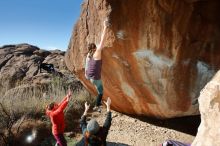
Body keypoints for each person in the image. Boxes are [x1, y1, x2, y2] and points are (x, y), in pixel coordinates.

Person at [85, 20, 109, 112]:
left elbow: (86, 64)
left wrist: (86, 74)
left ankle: (97, 105)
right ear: (95, 48)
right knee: (101, 91)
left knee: (97, 87)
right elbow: (102, 40)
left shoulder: (88, 55)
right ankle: (97, 105)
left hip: (89, 77)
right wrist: (105, 26)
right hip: (95, 78)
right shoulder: (97, 53)